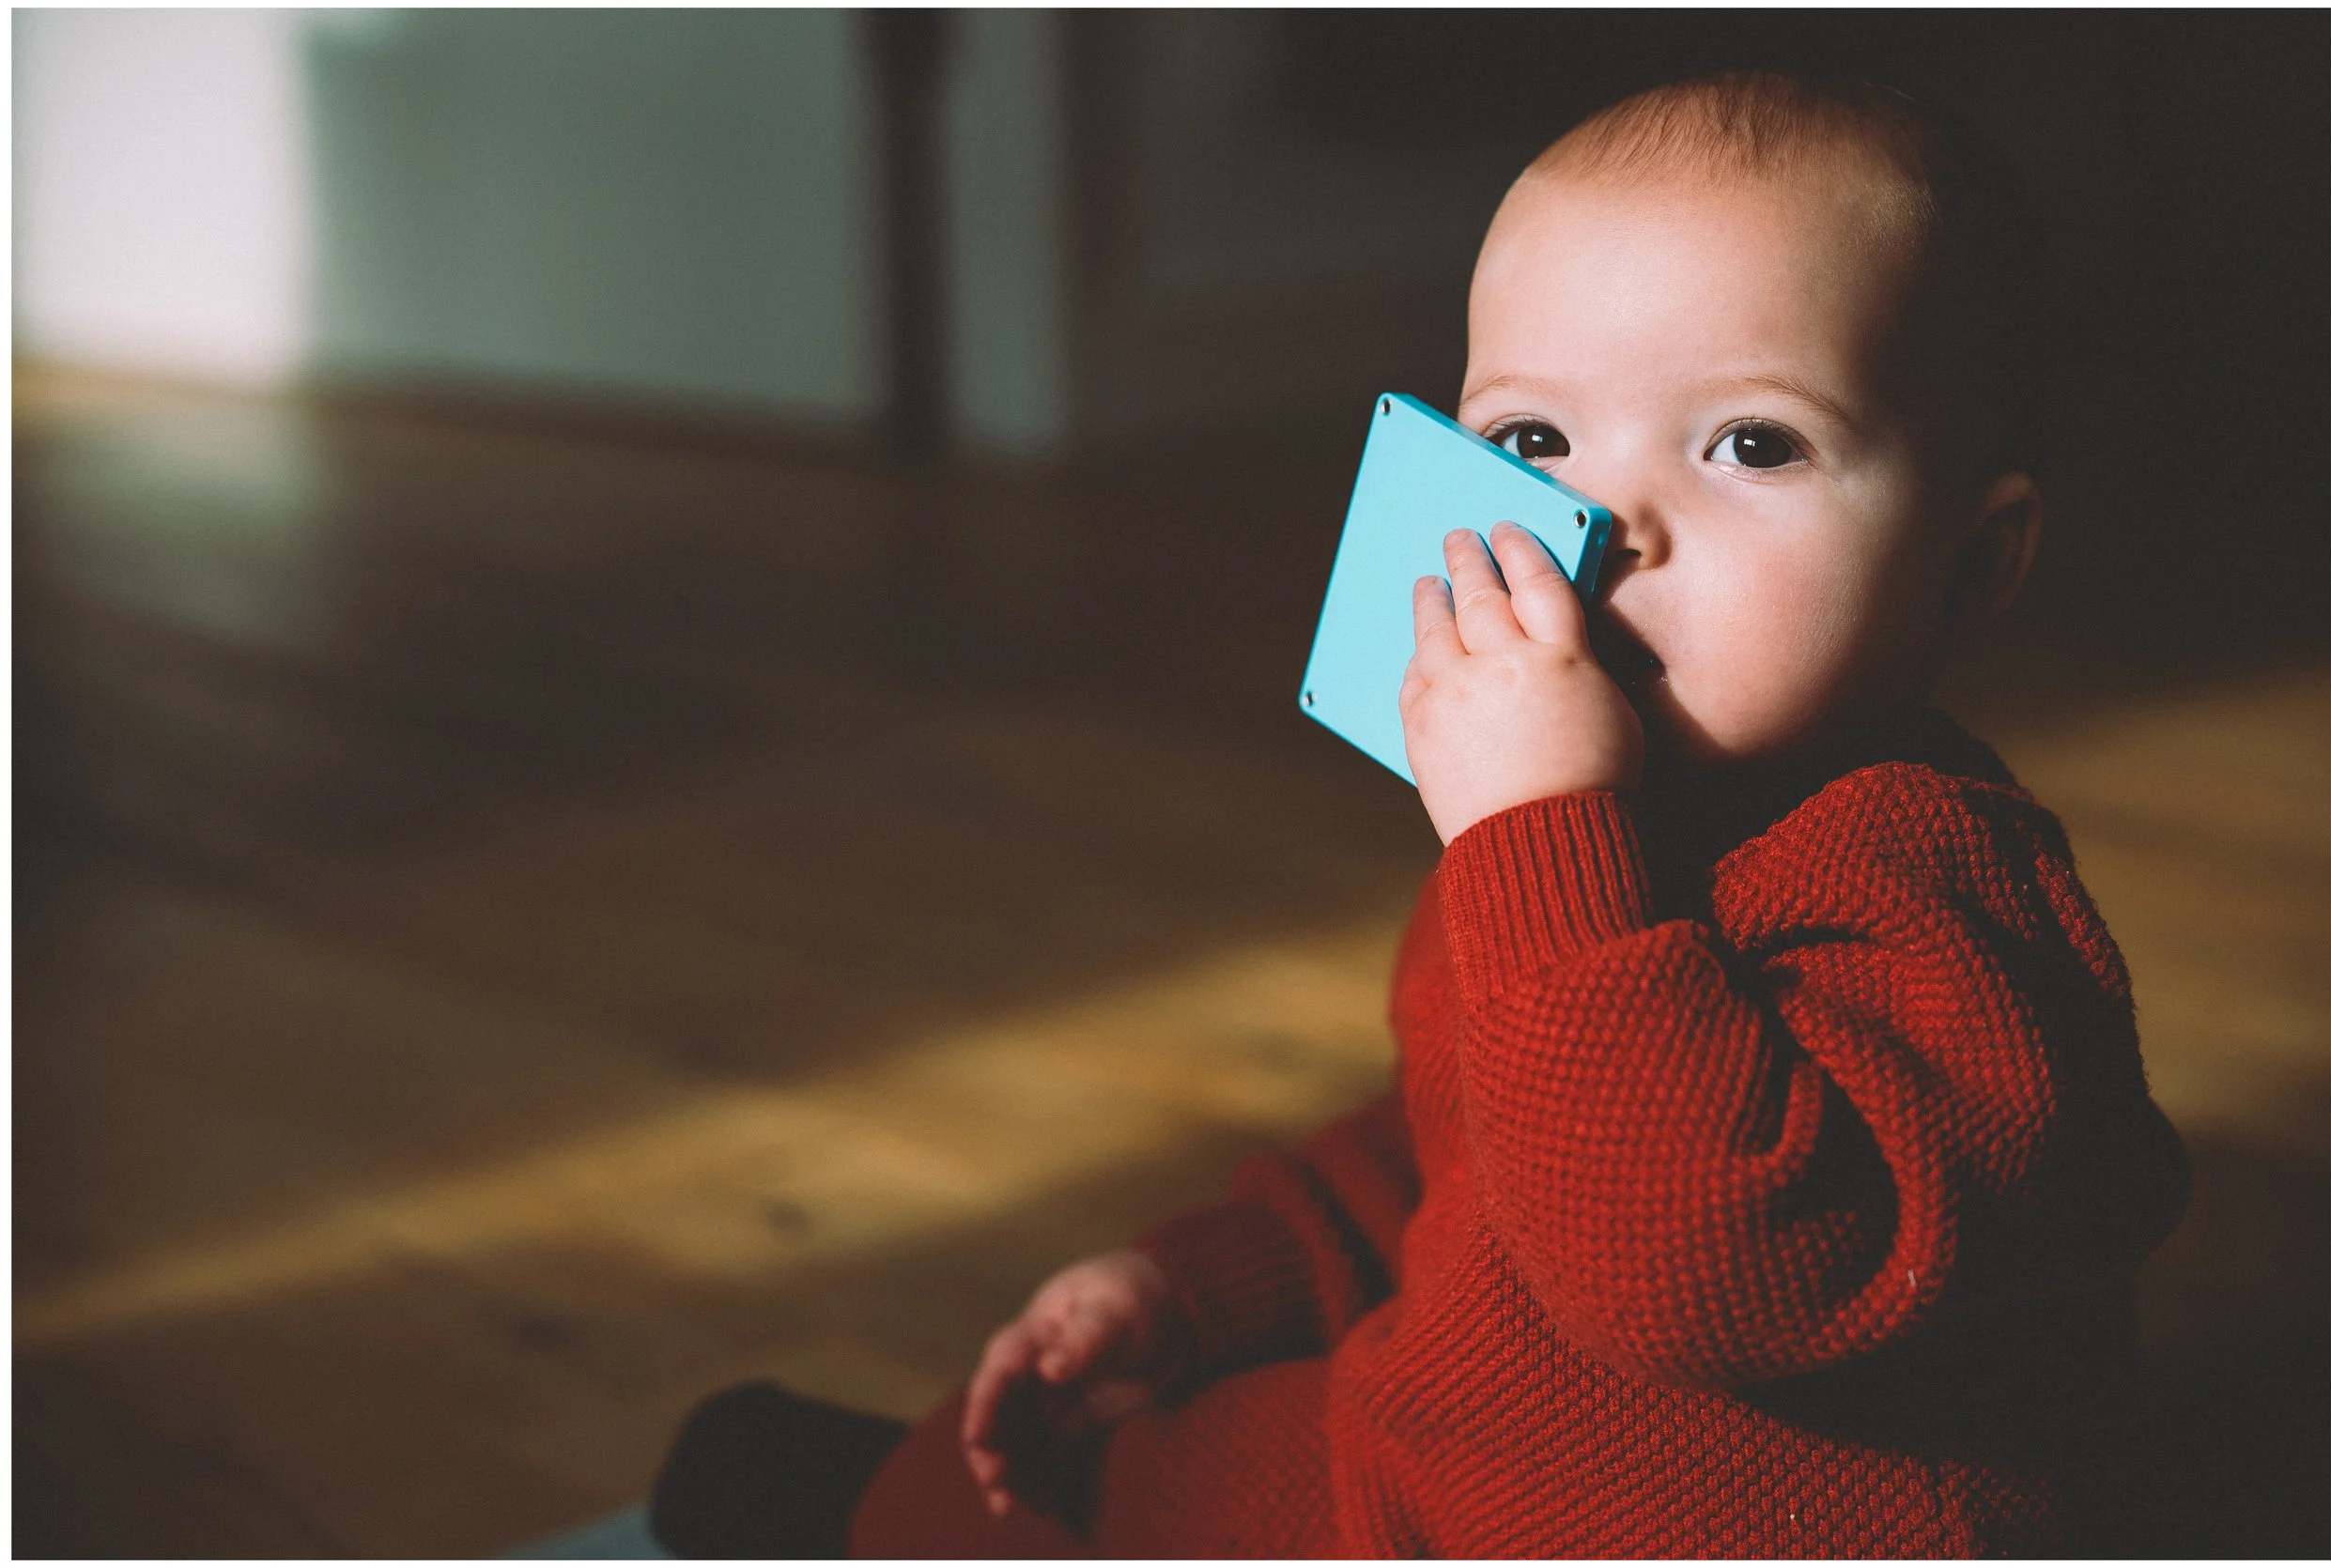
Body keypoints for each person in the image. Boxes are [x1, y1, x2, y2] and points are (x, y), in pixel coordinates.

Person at [652, 69, 2189, 1559]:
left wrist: (1540, 831)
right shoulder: (1578, 837)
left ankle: (861, 1514)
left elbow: (1703, 1263)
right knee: (1085, 1461)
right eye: (1533, 445)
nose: (1612, 527)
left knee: (1068, 1504)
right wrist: (1206, 1288)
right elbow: (1459, 1149)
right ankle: (898, 1506)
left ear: (1974, 566)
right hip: (1459, 1474)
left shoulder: (1933, 896)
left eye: (1752, 444)